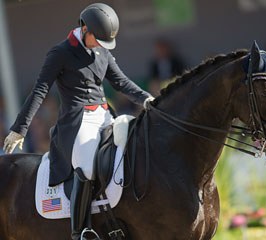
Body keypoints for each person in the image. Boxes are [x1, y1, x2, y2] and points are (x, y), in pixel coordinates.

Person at [3, 3, 154, 240]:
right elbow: (40, 90)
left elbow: (121, 82)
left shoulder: (102, 51)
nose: (102, 46)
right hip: (79, 122)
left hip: (105, 115)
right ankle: (82, 230)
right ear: (85, 29)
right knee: (86, 166)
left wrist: (147, 99)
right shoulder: (60, 53)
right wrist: (19, 129)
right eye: (99, 39)